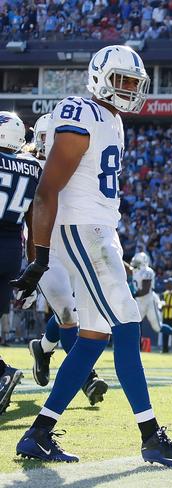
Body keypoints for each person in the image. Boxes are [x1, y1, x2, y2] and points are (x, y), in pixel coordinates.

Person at [11, 45, 172, 467]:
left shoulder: (111, 120)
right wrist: (39, 258)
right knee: (128, 323)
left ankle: (38, 433)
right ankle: (152, 436)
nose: (129, 90)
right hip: (83, 230)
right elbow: (46, 190)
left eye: (134, 83)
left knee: (94, 337)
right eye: (122, 81)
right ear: (99, 77)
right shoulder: (80, 111)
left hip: (99, 231)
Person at [26, 112, 109, 406]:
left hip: (75, 246)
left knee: (72, 312)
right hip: (47, 253)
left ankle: (43, 348)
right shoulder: (32, 168)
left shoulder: (79, 166)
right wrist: (32, 267)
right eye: (51, 138)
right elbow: (27, 218)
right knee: (69, 316)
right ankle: (88, 379)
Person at [0, 111, 36, 414]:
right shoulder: (33, 168)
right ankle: (2, 374)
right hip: (13, 249)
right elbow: (34, 222)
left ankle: (2, 373)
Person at [129, 253, 172, 348]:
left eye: (137, 262)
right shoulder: (136, 271)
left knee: (157, 327)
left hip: (149, 301)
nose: (134, 264)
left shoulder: (147, 271)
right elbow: (128, 269)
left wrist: (132, 294)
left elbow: (145, 290)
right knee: (133, 323)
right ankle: (134, 346)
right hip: (139, 301)